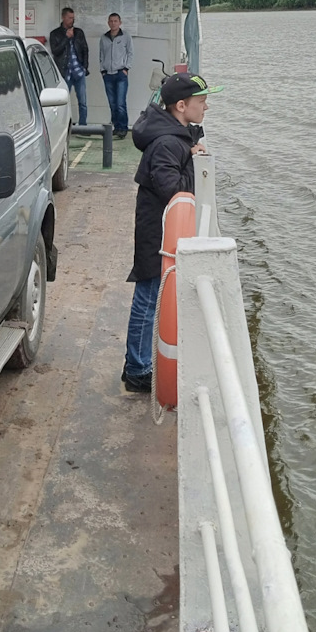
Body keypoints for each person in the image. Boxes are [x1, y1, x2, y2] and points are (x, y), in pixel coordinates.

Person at [121, 72, 223, 393]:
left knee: (151, 296)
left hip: (161, 228)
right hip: (157, 231)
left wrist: (190, 149)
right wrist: (194, 166)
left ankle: (140, 363)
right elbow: (172, 191)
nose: (206, 106)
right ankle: (137, 369)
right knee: (148, 297)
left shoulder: (175, 135)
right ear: (181, 106)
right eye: (201, 101)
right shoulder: (167, 143)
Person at [49, 6, 90, 125]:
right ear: (63, 17)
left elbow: (85, 49)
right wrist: (66, 38)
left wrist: (85, 67)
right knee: (63, 101)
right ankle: (64, 125)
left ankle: (83, 125)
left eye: (73, 18)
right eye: (69, 18)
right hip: (64, 72)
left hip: (78, 71)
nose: (72, 20)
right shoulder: (55, 34)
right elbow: (55, 51)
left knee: (82, 101)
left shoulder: (79, 32)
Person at [99, 12, 133, 138]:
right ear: (108, 23)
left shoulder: (126, 36)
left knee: (120, 103)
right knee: (112, 103)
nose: (113, 23)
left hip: (120, 74)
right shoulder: (104, 37)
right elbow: (101, 54)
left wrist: (126, 68)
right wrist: (102, 70)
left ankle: (123, 128)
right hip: (108, 74)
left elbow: (130, 53)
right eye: (111, 21)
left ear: (120, 22)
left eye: (115, 21)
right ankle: (116, 127)